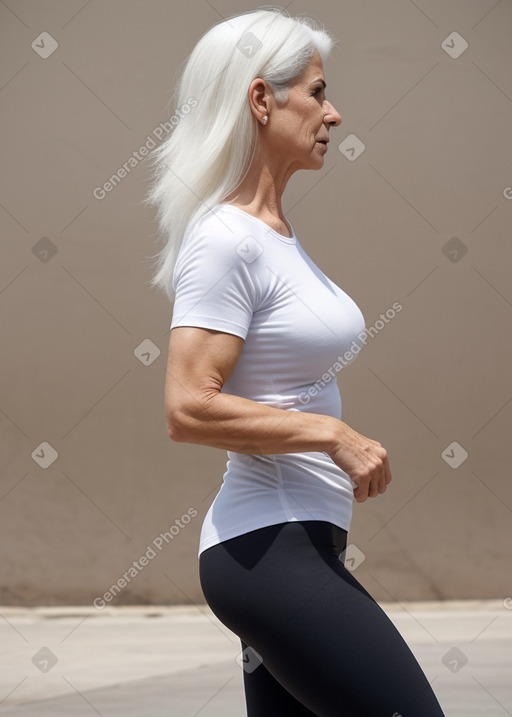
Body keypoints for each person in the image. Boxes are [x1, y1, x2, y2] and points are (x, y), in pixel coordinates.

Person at [146, 7, 446, 716]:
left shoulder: (274, 234)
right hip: (270, 553)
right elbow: (187, 405)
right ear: (260, 99)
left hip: (296, 545)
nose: (333, 113)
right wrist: (332, 435)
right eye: (316, 91)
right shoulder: (226, 238)